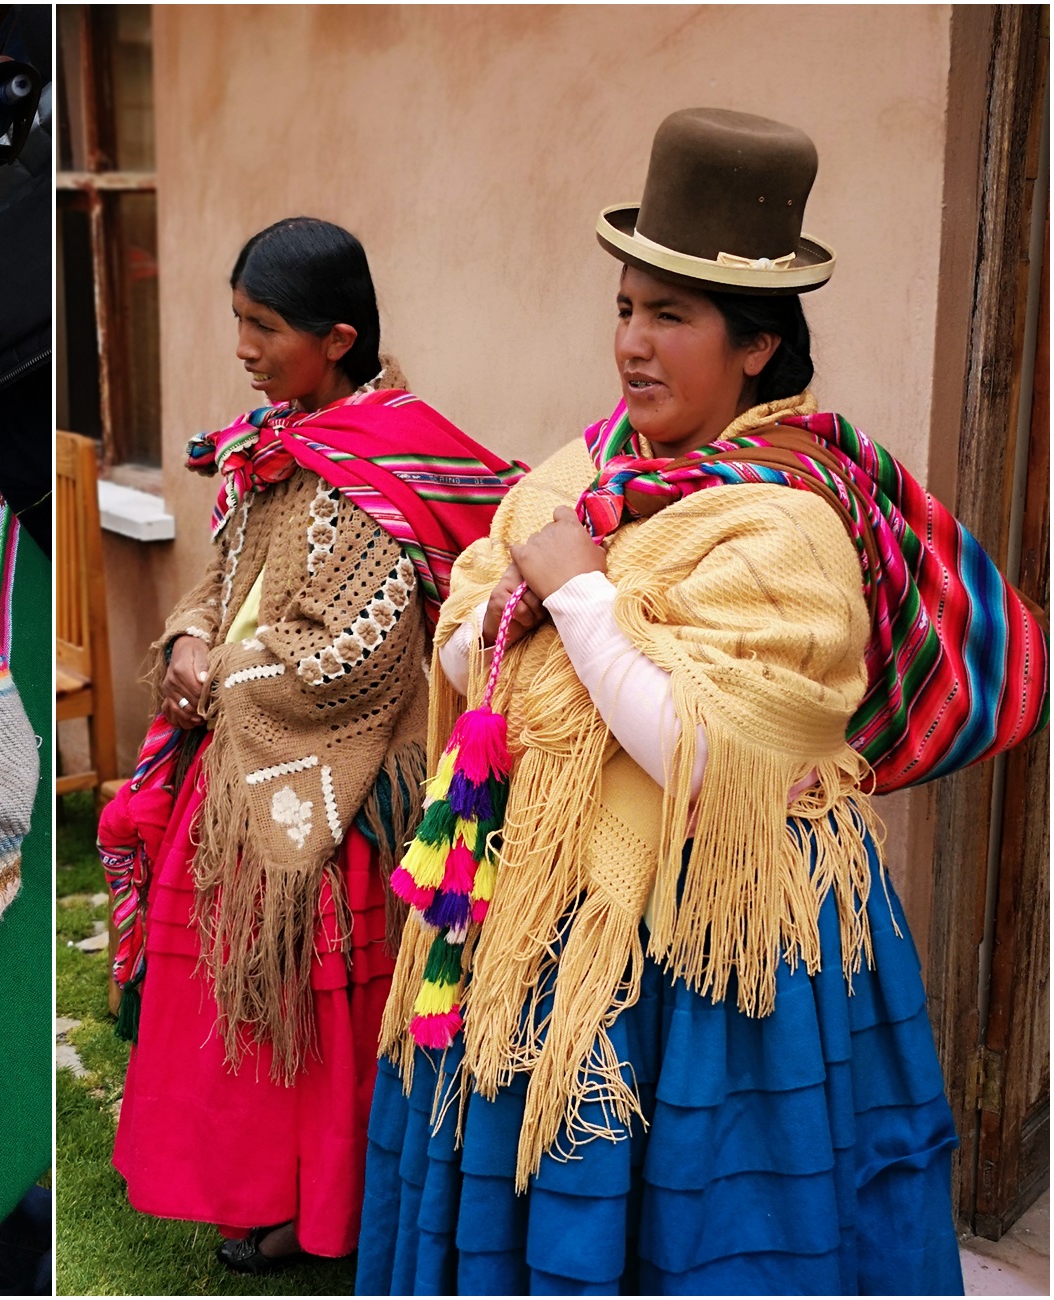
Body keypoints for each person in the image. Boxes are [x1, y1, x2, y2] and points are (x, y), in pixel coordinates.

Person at [358, 107, 1047, 1295]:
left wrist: (572, 598)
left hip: (720, 953)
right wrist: (536, 611)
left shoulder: (788, 523)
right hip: (549, 919)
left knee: (707, 1220)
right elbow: (469, 643)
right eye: (624, 306)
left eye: (668, 315)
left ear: (756, 349)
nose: (630, 342)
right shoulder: (585, 467)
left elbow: (698, 741)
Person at [100, 217, 523, 1273]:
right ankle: (253, 1186)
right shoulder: (275, 445)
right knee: (228, 983)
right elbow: (223, 570)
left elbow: (362, 657)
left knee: (302, 985)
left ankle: (320, 1208)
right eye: (236, 320)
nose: (241, 346)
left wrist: (222, 683)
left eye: (261, 327)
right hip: (236, 751)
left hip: (317, 779)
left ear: (336, 337)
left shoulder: (383, 464)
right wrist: (191, 634)